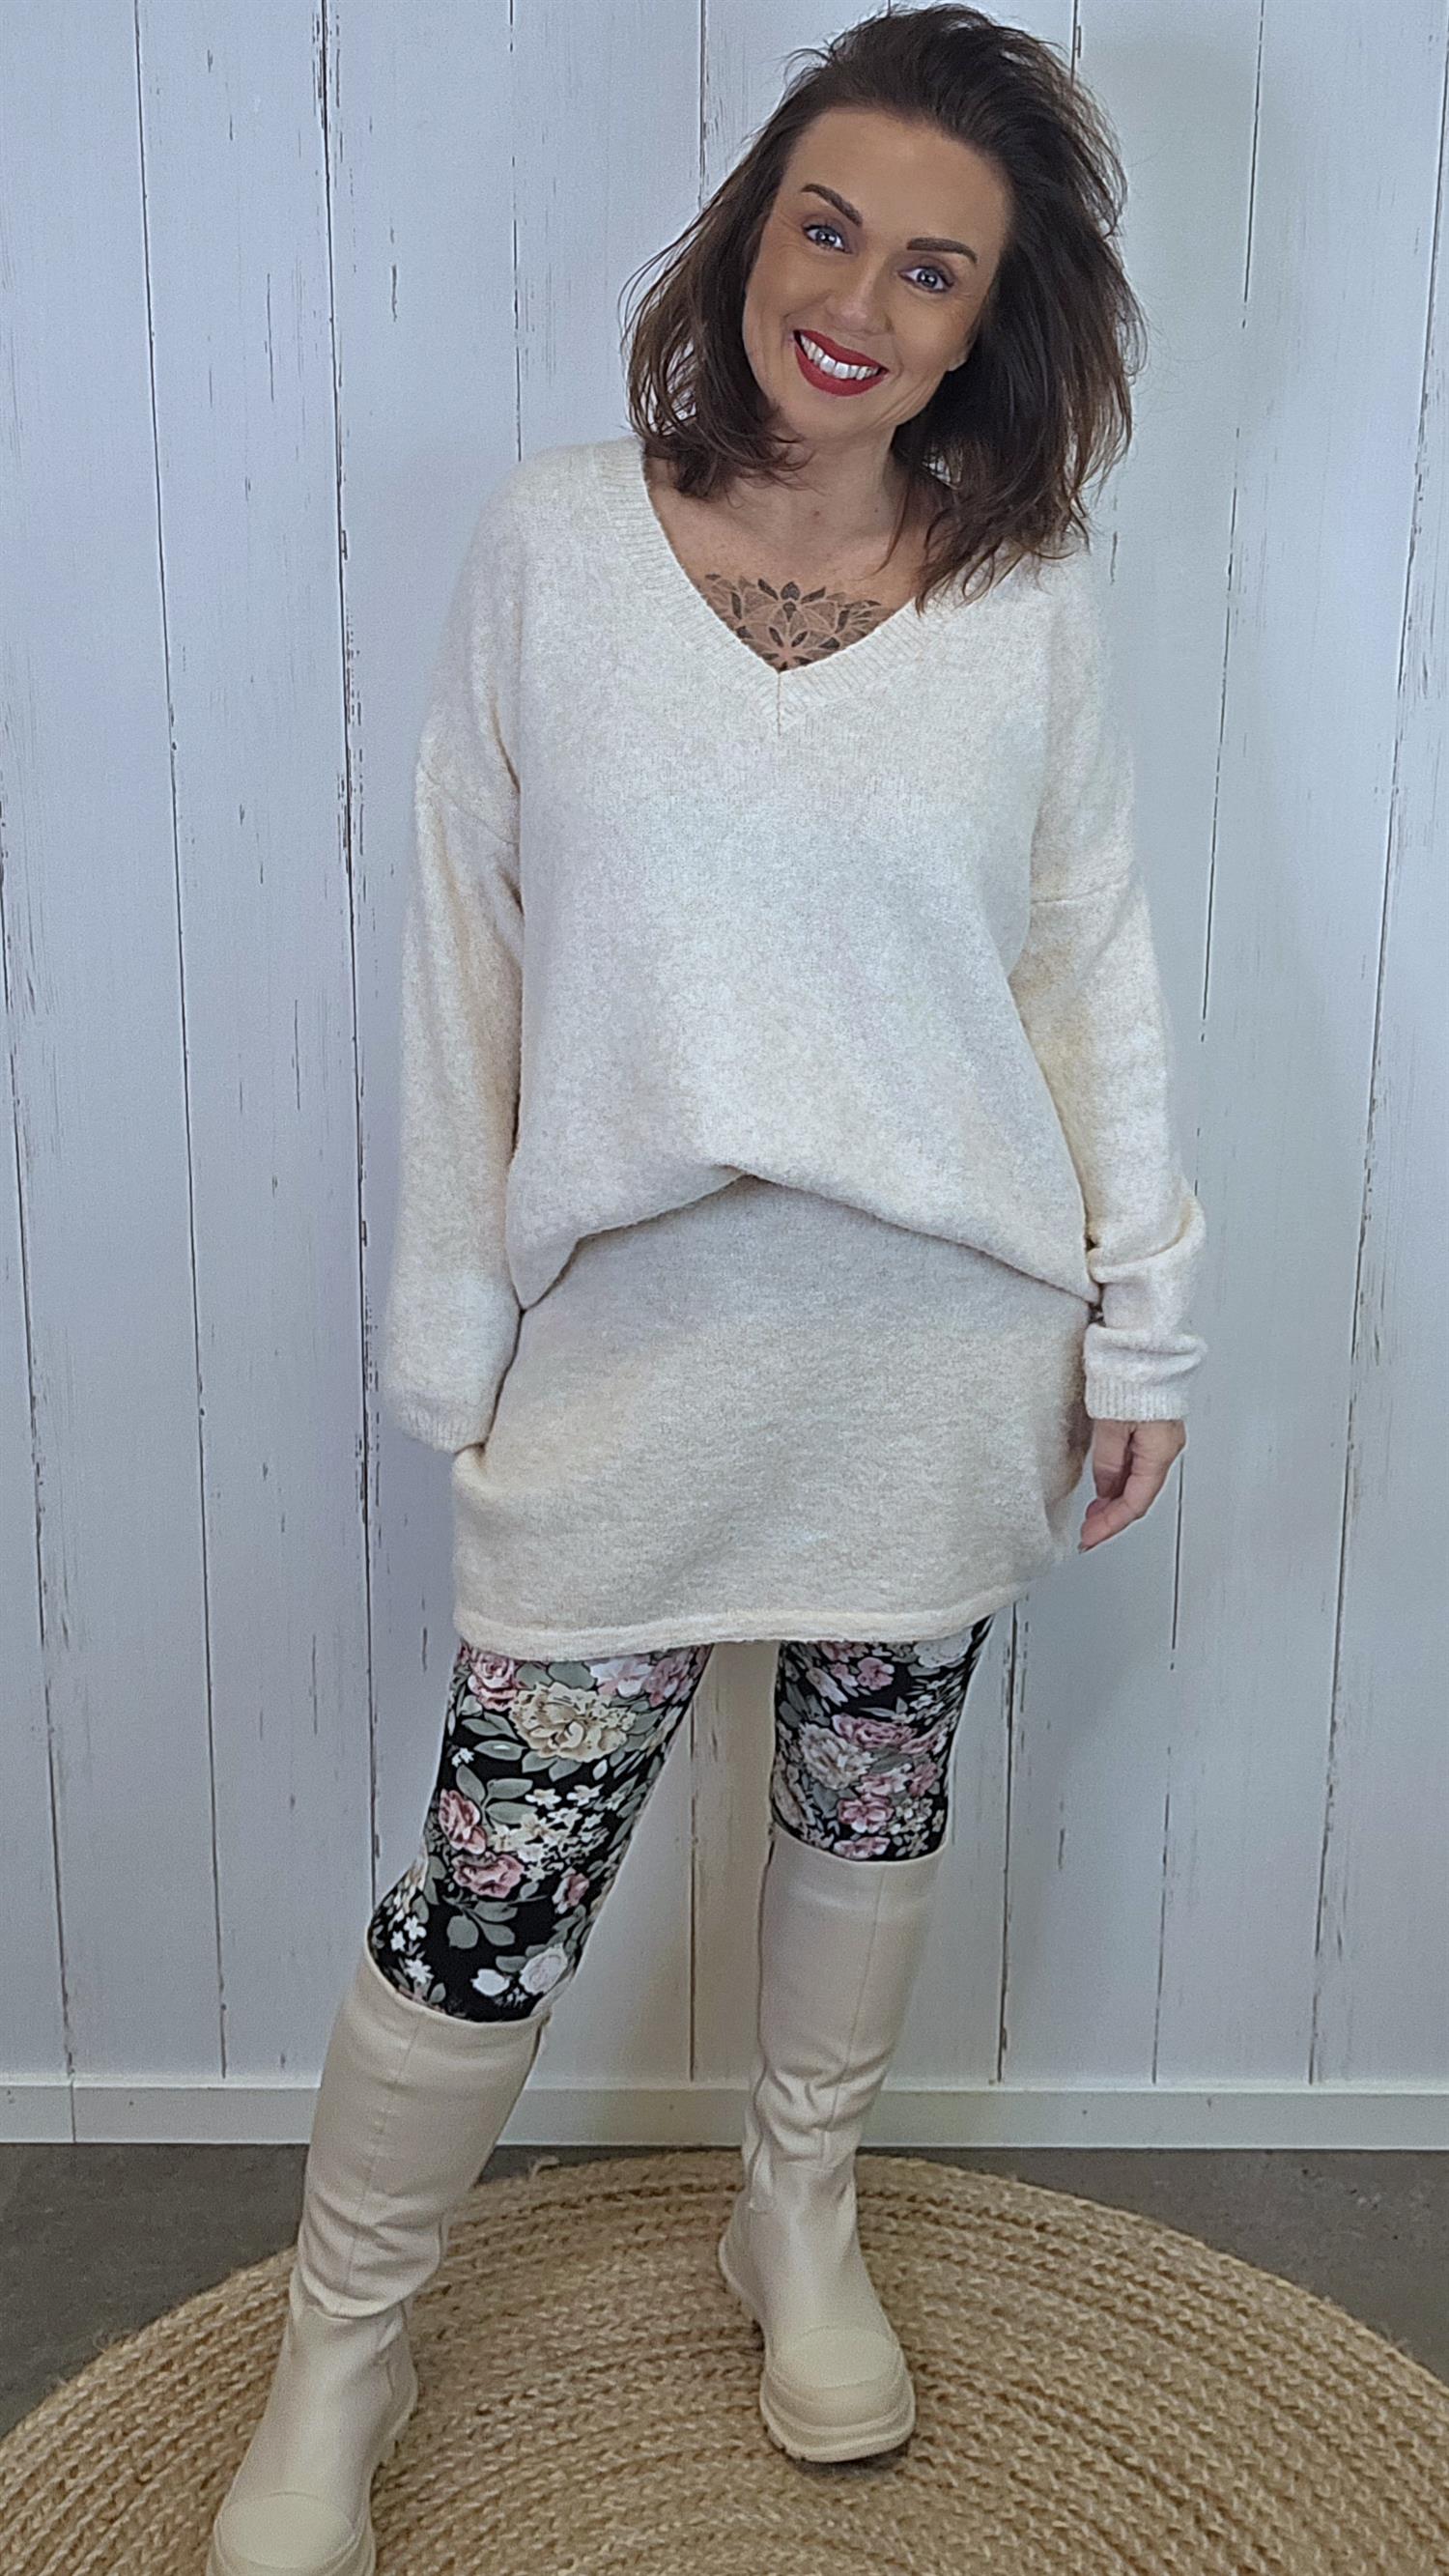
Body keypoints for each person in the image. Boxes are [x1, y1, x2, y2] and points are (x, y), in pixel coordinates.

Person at [207, 7, 1207, 2568]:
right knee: (493, 1884)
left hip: (937, 1347)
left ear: (990, 327)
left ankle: (800, 2213)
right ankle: (343, 2349)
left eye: (931, 268)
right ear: (752, 232)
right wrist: (452, 1334)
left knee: (870, 1799)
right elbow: (467, 956)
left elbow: (1088, 968)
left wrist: (1142, 1318)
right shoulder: (553, 547)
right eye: (824, 227)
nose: (856, 300)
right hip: (635, 1347)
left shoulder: (1030, 599)